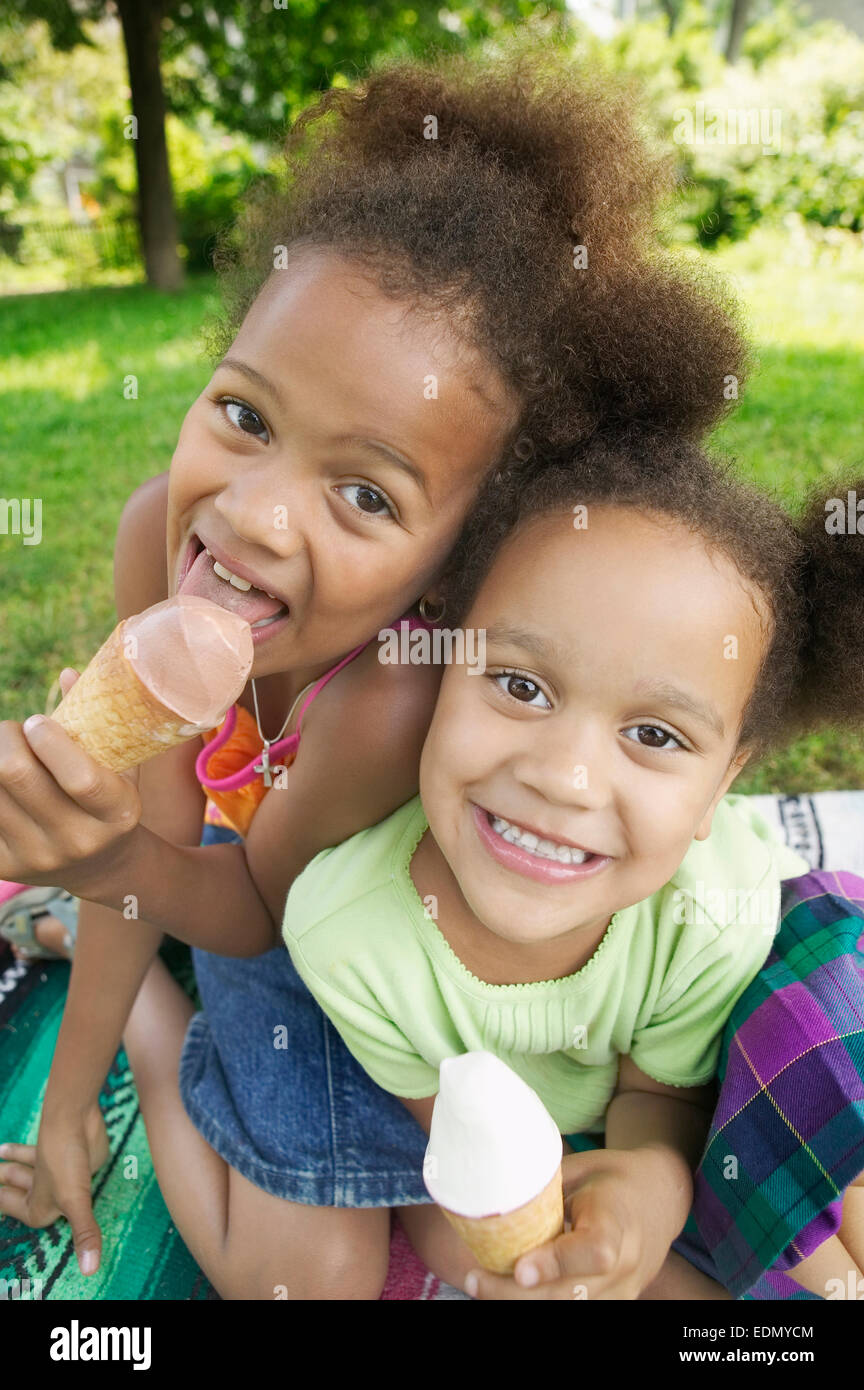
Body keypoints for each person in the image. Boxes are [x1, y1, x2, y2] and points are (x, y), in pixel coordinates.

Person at [0, 49, 757, 1299]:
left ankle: (140, 1009)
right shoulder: (158, 535)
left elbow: (254, 909)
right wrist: (68, 1092)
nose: (253, 517)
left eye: (364, 492)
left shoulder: (392, 689)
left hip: (350, 941)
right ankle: (120, 1004)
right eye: (244, 415)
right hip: (213, 885)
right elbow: (163, 816)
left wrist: (104, 871)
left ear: (461, 562)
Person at [280, 433, 864, 1300]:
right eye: (520, 686)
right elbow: (480, 1167)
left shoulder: (708, 913)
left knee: (826, 1098)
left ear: (721, 788)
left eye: (656, 736)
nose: (565, 777)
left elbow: (662, 1099)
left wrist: (654, 1186)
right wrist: (626, 1221)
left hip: (774, 1002)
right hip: (582, 1132)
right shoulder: (345, 940)